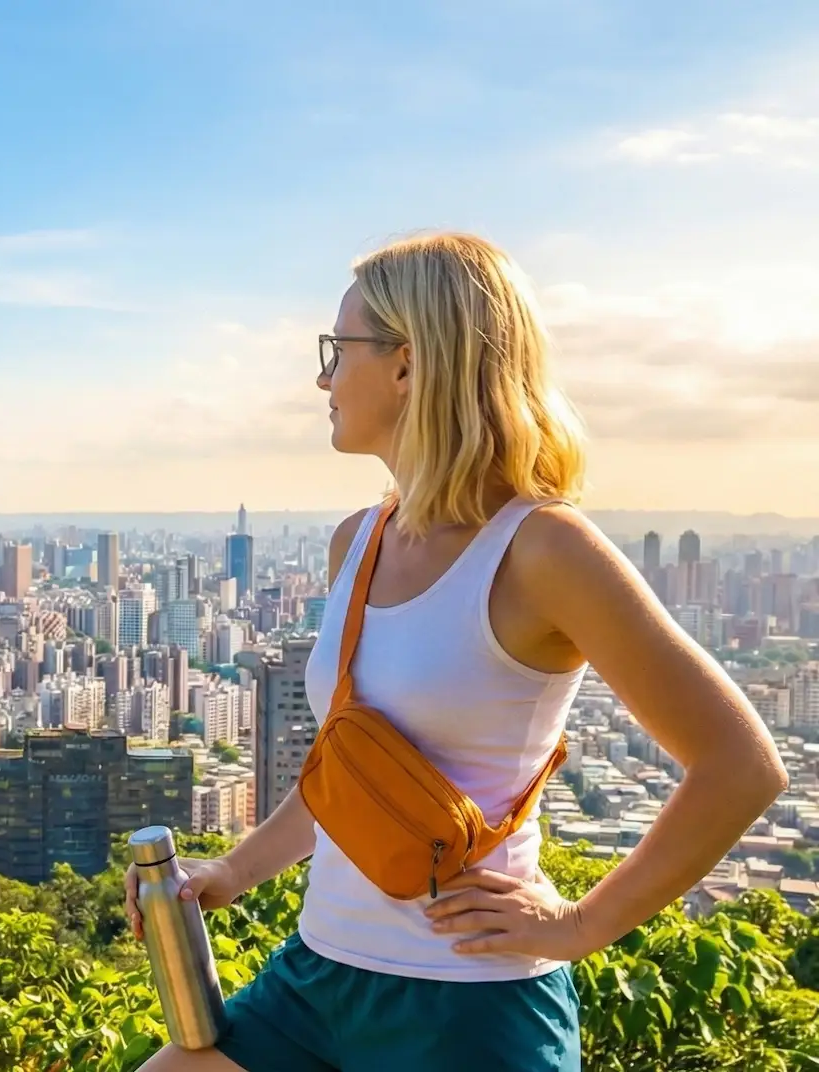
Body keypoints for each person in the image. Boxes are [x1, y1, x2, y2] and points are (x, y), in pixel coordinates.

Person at [127, 233, 786, 1071]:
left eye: (339, 350)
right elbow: (352, 772)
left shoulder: (543, 550)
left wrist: (580, 925)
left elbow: (741, 764)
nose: (322, 378)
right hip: (317, 980)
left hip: (469, 1009)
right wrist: (234, 871)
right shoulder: (357, 544)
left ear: (408, 365)